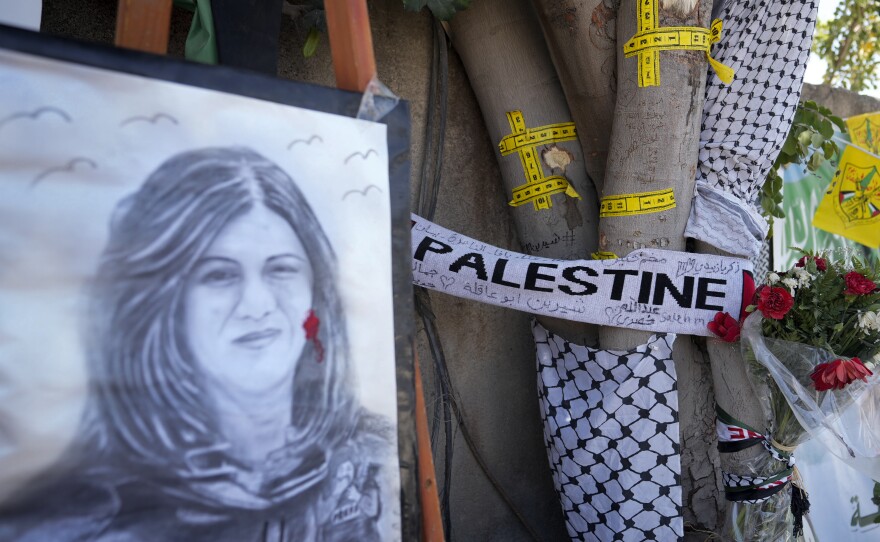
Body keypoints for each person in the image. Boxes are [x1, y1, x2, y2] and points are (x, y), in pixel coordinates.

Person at [0, 147, 392, 541]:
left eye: (281, 269)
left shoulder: (379, 457)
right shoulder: (86, 521)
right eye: (219, 275)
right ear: (164, 304)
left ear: (316, 290)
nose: (257, 305)